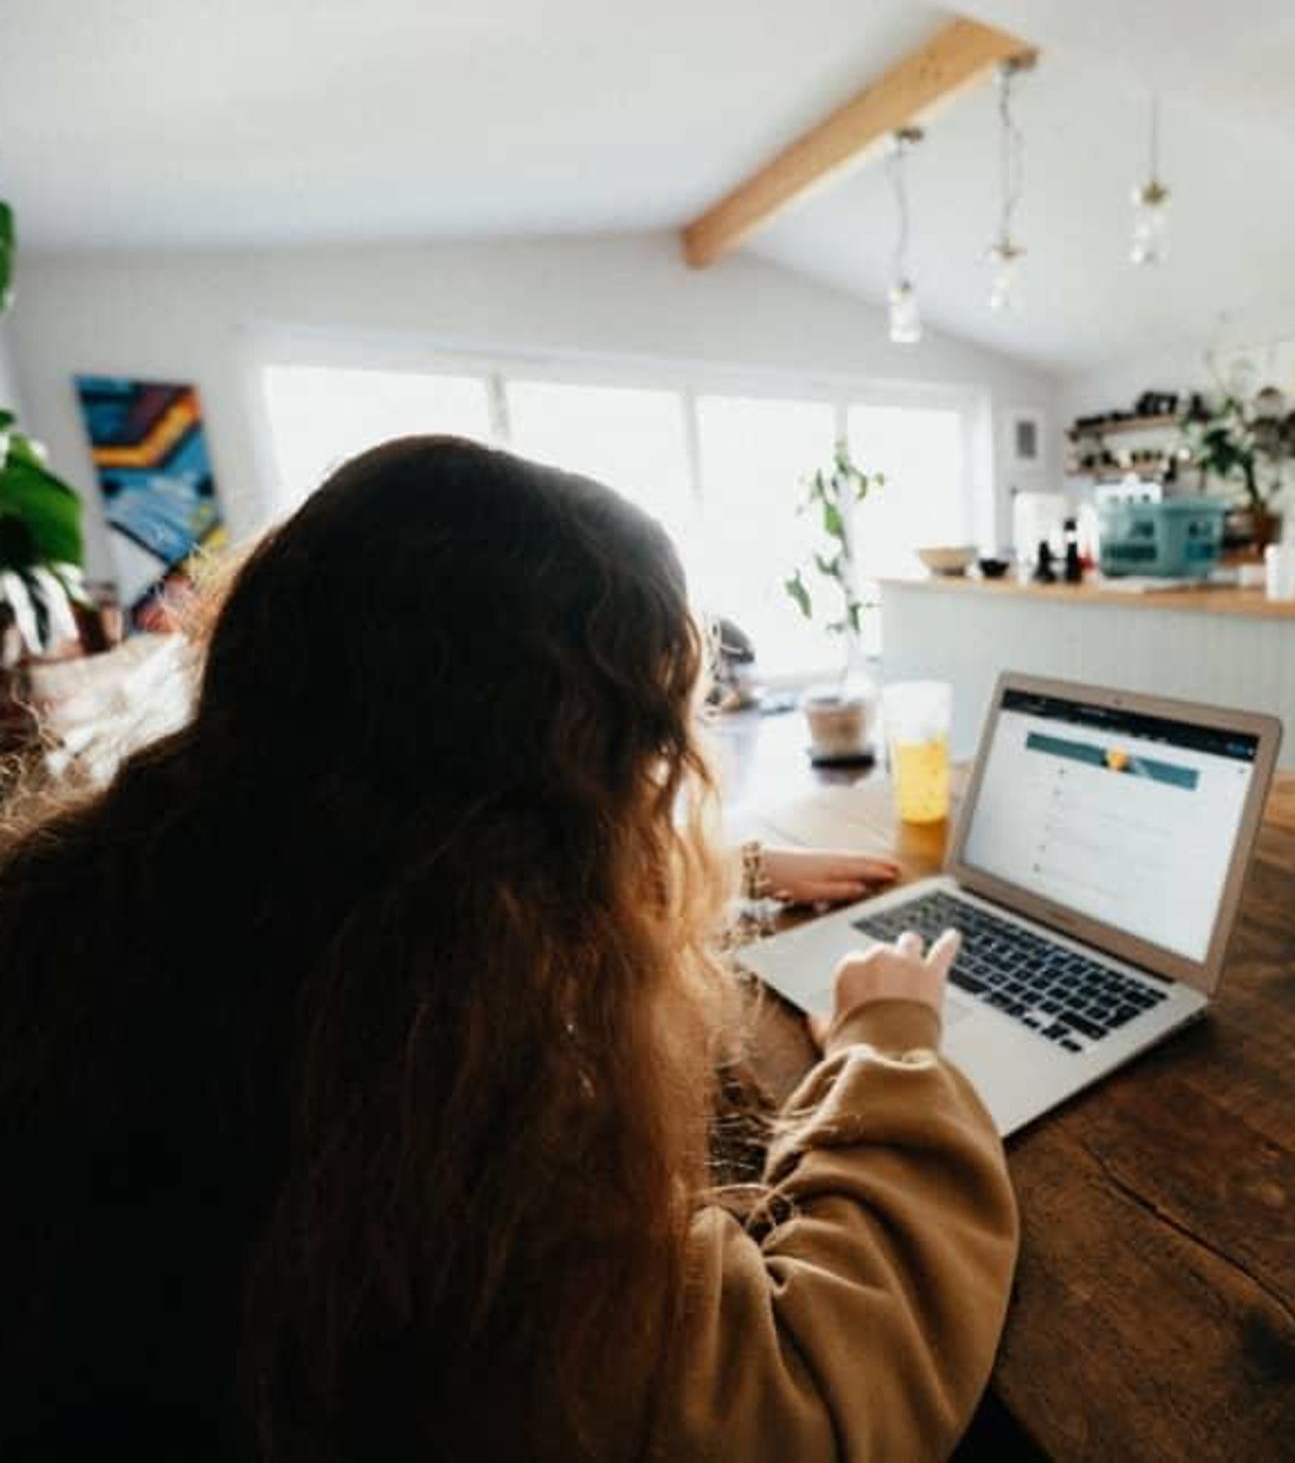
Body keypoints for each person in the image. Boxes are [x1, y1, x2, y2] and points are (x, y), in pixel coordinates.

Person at [0, 436, 1018, 1460]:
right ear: (549, 806)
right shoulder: (429, 1123)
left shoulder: (109, 908)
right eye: (637, 762)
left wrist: (724, 867)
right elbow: (808, 1391)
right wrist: (889, 1044)